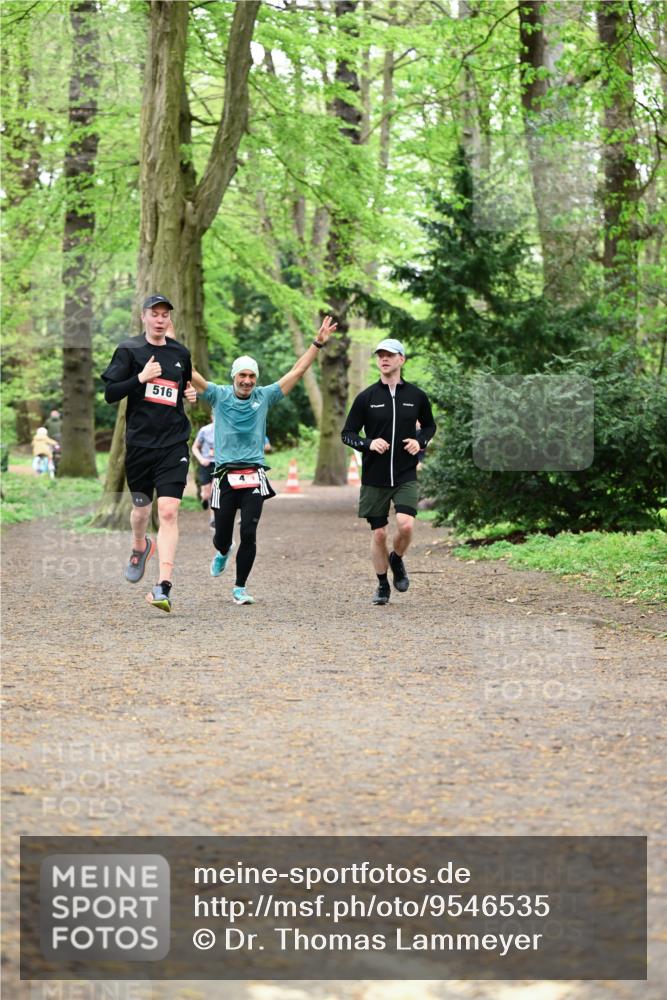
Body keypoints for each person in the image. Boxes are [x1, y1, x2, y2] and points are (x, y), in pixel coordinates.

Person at [190, 316, 337, 605]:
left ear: (256, 378)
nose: (247, 381)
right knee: (221, 535)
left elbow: (298, 370)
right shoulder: (219, 396)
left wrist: (317, 343)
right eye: (242, 376)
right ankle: (223, 550)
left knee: (249, 531)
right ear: (234, 377)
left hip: (254, 474)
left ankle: (240, 588)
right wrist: (168, 341)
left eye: (251, 376)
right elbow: (191, 374)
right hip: (223, 476)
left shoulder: (265, 396)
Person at [101, 294, 197, 613]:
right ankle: (140, 546)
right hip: (140, 445)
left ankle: (163, 585)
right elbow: (110, 394)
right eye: (154, 314)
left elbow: (180, 390)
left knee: (168, 511)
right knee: (141, 510)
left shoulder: (180, 352)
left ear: (170, 319)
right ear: (143, 317)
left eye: (164, 315)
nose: (159, 319)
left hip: (173, 444)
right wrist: (140, 378)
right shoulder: (129, 351)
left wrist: (190, 393)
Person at [341, 338, 436, 606]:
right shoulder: (366, 398)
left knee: (406, 525)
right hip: (375, 477)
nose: (384, 359)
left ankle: (397, 559)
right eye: (380, 355)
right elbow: (347, 434)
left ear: (401, 360)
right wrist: (368, 443)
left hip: (406, 473)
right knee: (380, 533)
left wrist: (421, 441)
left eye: (390, 355)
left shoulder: (416, 396)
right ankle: (383, 584)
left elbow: (429, 427)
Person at [192, 419, 216, 527]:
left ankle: (213, 518)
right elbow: (194, 447)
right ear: (212, 416)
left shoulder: (227, 430)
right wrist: (201, 459)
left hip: (220, 464)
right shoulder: (204, 430)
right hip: (206, 464)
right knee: (207, 494)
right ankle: (204, 499)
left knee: (215, 492)